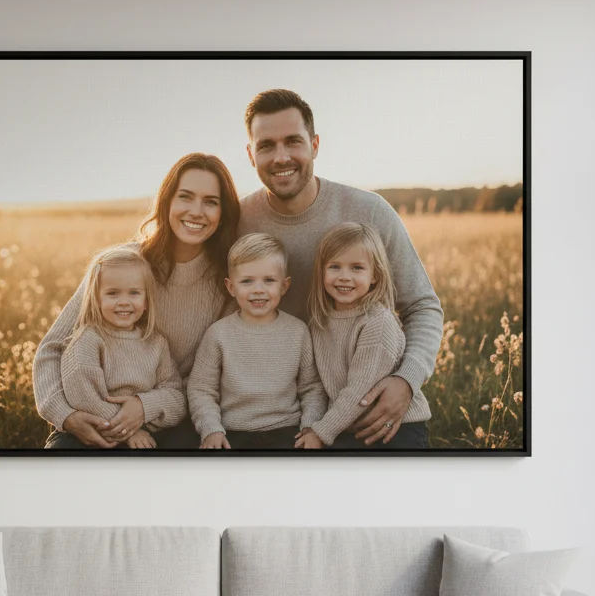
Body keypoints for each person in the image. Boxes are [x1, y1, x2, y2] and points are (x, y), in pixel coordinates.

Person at [238, 89, 443, 446]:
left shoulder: (370, 212)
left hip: (375, 413)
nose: (281, 156)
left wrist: (407, 380)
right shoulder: (237, 220)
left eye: (293, 142)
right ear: (250, 155)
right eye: (266, 145)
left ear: (315, 145)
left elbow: (422, 306)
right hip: (285, 411)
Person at [33, 153, 237, 450]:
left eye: (211, 201)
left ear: (223, 212)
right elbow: (52, 349)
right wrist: (67, 415)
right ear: (167, 201)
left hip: (169, 419)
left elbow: (204, 378)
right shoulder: (120, 266)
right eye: (185, 197)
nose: (196, 211)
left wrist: (145, 406)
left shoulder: (226, 284)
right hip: (91, 416)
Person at [296, 223, 429, 450]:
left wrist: (321, 433)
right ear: (322, 272)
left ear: (375, 275)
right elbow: (317, 385)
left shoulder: (377, 323)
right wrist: (309, 426)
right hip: (345, 424)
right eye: (335, 267)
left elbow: (359, 391)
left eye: (357, 268)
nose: (344, 277)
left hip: (394, 428)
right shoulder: (319, 323)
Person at [187, 233, 325, 450]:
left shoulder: (298, 332)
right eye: (247, 281)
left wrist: (310, 427)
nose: (258, 289)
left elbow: (312, 388)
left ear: (284, 286)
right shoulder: (218, 334)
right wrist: (211, 428)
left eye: (269, 280)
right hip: (231, 432)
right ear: (231, 287)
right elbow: (201, 389)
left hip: (288, 430)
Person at [51, 247, 186, 449]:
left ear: (146, 301)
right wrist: (127, 431)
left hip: (145, 429)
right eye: (113, 293)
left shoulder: (156, 343)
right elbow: (83, 396)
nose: (124, 302)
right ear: (97, 299)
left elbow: (175, 396)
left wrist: (147, 407)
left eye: (134, 293)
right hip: (93, 431)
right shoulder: (88, 340)